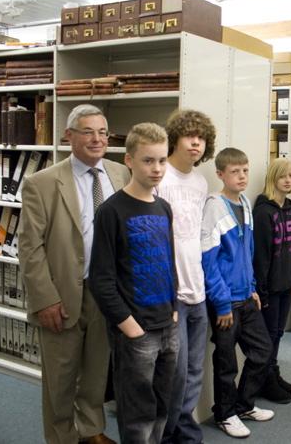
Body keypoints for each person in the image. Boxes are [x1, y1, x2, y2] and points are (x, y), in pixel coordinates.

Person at [17, 104, 130, 444]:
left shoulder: (121, 174)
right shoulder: (42, 183)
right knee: (60, 378)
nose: (97, 139)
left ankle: (92, 431)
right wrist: (44, 299)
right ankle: (61, 437)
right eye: (88, 132)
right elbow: (30, 248)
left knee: (97, 371)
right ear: (69, 136)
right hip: (63, 293)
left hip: (106, 292)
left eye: (102, 132)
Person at [89, 123, 179, 443]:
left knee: (162, 408)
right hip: (136, 331)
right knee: (137, 413)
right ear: (129, 160)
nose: (157, 169)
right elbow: (101, 279)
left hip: (168, 325)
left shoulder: (164, 208)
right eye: (148, 160)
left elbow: (168, 261)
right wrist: (128, 326)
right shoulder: (111, 211)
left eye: (162, 160)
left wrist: (174, 310)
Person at [201, 147, 274, 439]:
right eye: (235, 171)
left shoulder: (245, 201)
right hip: (225, 301)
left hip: (246, 296)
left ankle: (244, 406)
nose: (242, 176)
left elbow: (249, 253)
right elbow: (208, 260)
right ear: (220, 174)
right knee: (226, 362)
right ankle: (225, 414)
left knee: (262, 352)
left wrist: (253, 287)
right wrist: (221, 304)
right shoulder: (214, 206)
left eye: (245, 170)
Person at [159, 110, 215, 444]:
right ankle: (170, 433)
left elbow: (196, 235)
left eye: (201, 137)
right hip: (172, 292)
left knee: (195, 369)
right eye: (189, 135)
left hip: (198, 288)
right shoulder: (160, 176)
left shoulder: (200, 182)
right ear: (175, 138)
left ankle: (182, 428)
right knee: (174, 372)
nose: (196, 143)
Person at [253, 158, 291, 404]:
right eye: (283, 176)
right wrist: (261, 290)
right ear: (273, 178)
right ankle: (264, 380)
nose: (288, 180)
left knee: (279, 333)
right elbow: (260, 256)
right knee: (270, 334)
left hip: (286, 284)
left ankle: (273, 372)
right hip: (269, 288)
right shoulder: (263, 211)